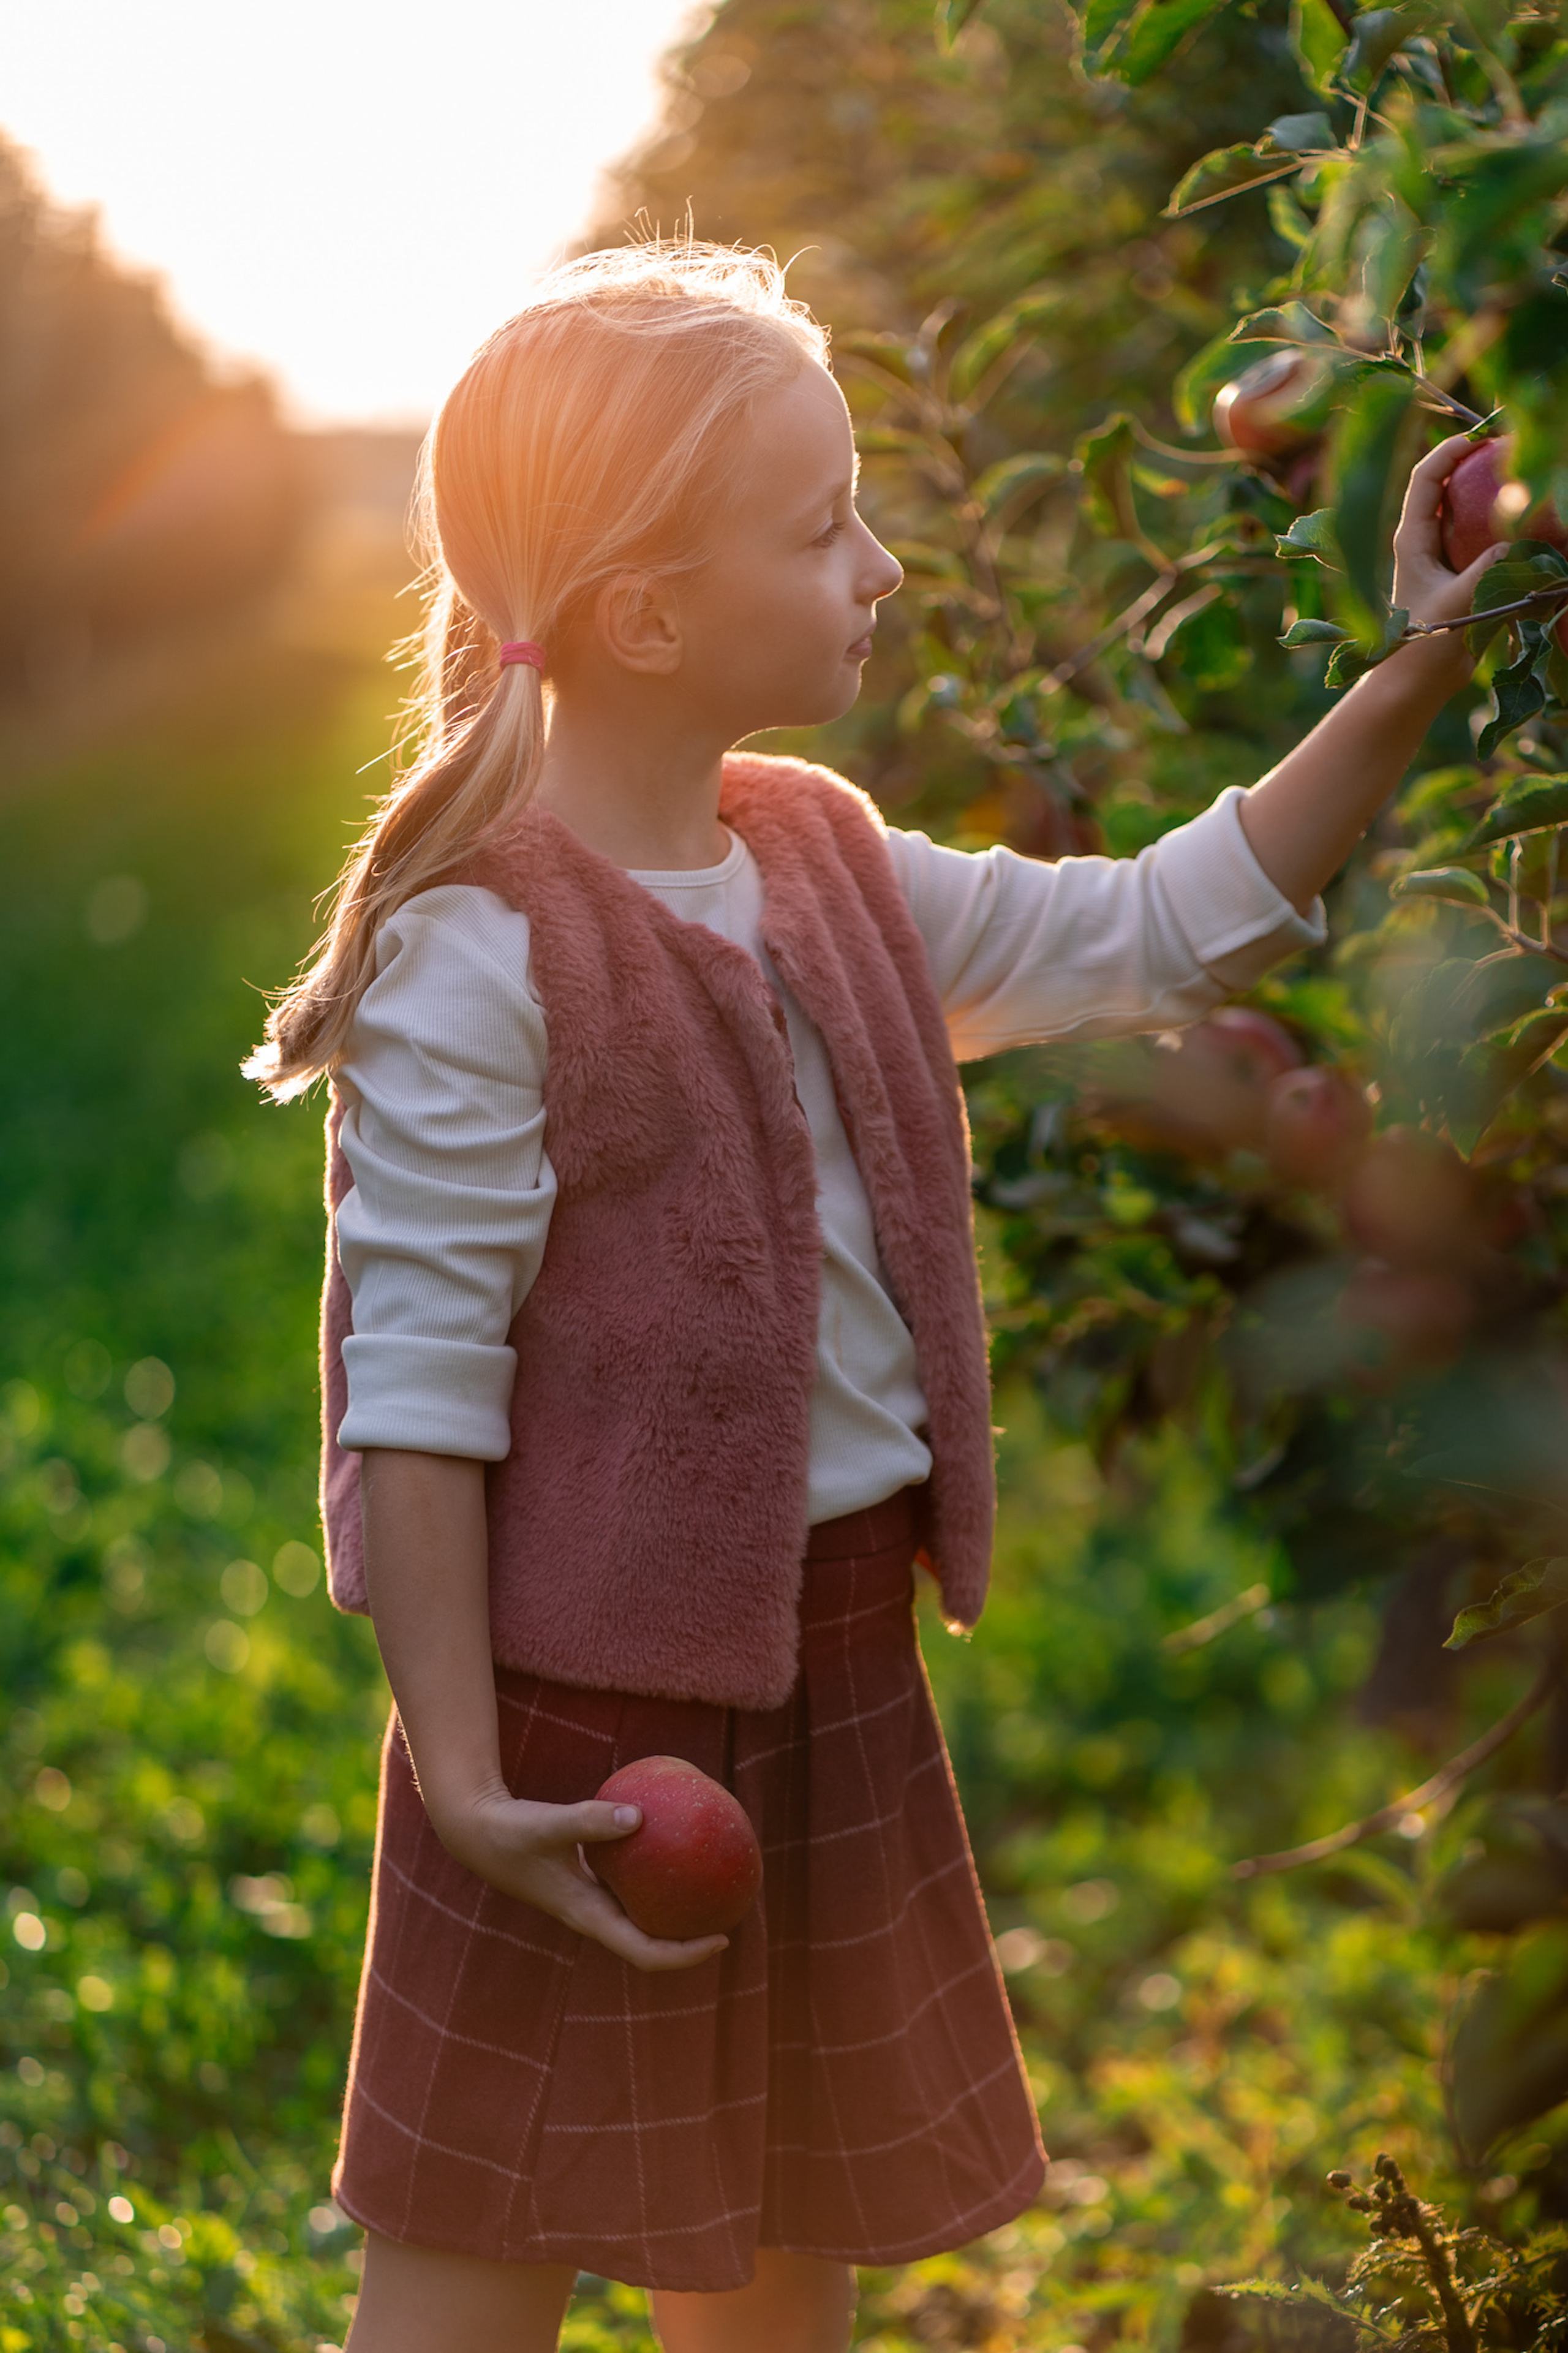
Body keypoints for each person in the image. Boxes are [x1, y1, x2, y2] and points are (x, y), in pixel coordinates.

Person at [247, 241, 1500, 2353]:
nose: (885, 564)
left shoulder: (819, 857)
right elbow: (420, 1391)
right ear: (648, 613)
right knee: (479, 2249)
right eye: (825, 526)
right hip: (578, 1713)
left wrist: (1412, 674)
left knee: (769, 2249)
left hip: (827, 1659)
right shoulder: (482, 953)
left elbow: (1156, 928)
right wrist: (464, 1773)